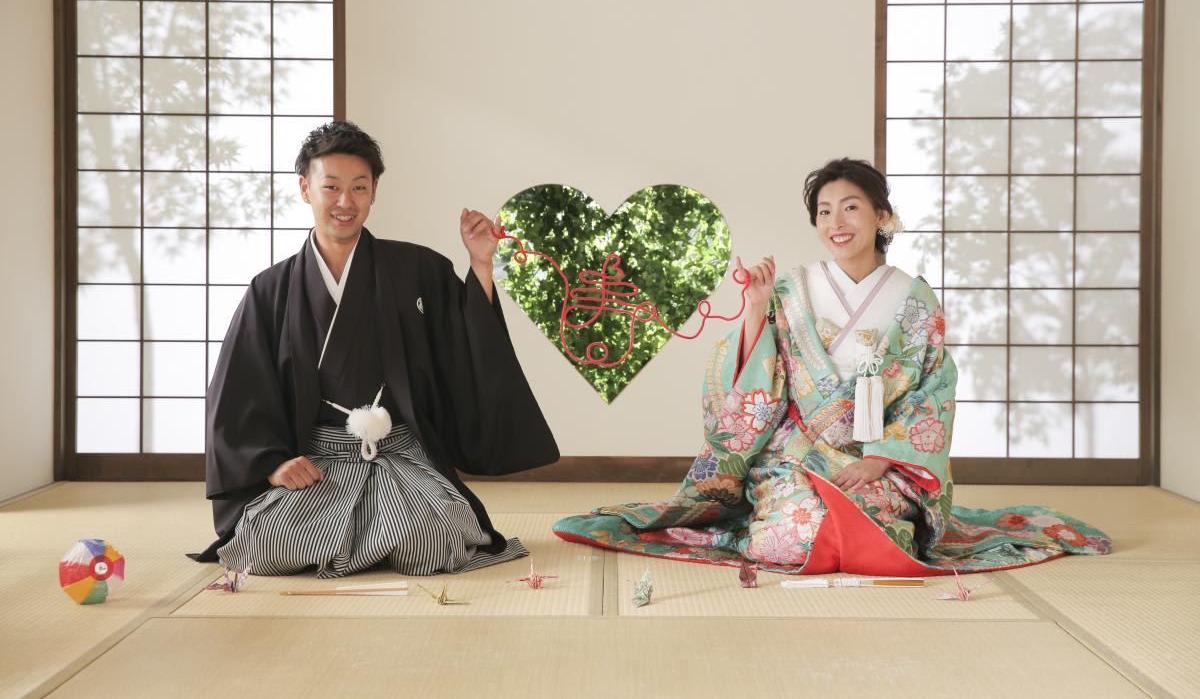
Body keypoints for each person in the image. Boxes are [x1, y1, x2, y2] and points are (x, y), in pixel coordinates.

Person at [554, 158, 1110, 575]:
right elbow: (753, 377)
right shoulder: (792, 290)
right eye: (824, 211)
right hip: (795, 451)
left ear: (881, 215)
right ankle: (786, 507)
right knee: (789, 540)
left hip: (879, 458)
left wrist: (881, 458)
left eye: (850, 207)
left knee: (878, 532)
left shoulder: (914, 299)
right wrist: (756, 307)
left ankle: (875, 509)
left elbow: (933, 389)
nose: (836, 222)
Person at [192, 121, 559, 577]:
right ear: (306, 189)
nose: (345, 202)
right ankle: (368, 541)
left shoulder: (417, 269)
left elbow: (467, 349)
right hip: (318, 462)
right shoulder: (271, 290)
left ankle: (377, 536)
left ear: (374, 192)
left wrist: (481, 265)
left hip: (398, 455)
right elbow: (236, 394)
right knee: (267, 545)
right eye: (331, 187)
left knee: (433, 541)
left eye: (359, 188)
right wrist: (272, 465)